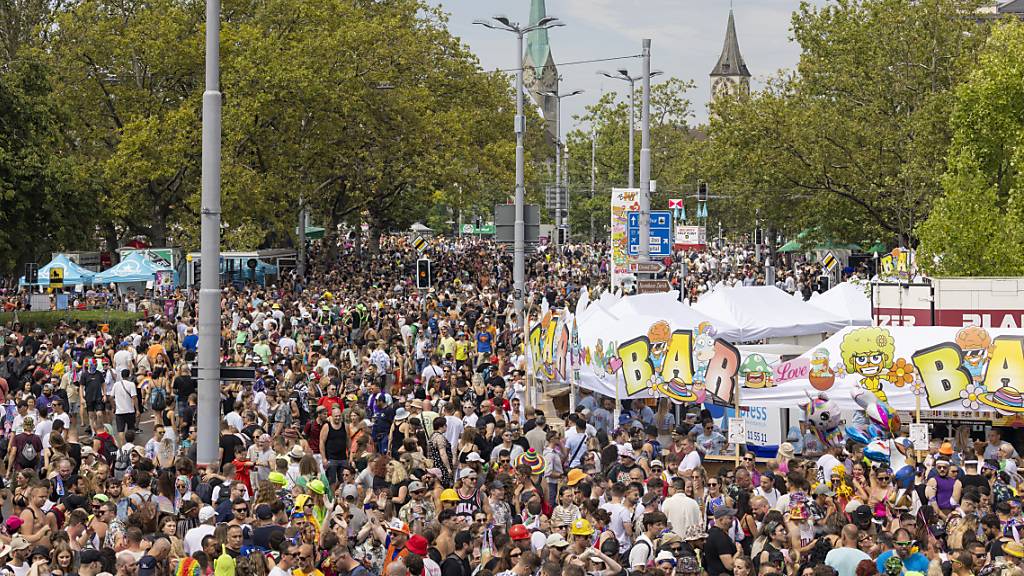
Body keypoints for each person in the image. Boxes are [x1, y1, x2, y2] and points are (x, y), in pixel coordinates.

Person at [704, 507, 741, 576]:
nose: (733, 520)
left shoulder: (710, 533)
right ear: (721, 520)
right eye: (730, 518)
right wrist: (739, 552)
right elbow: (729, 566)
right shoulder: (720, 537)